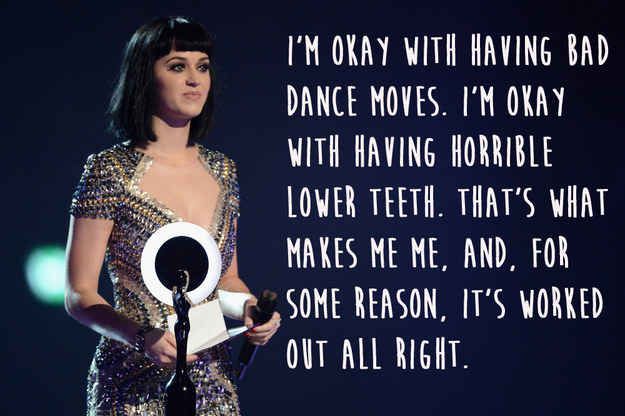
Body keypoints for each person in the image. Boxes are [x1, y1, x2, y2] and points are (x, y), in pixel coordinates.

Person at [64, 16, 281, 415]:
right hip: (131, 384)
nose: (195, 79)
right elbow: (79, 294)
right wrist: (140, 336)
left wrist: (249, 309)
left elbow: (225, 280)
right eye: (178, 66)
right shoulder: (110, 171)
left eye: (203, 66)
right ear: (145, 77)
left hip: (212, 380)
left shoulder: (223, 171)